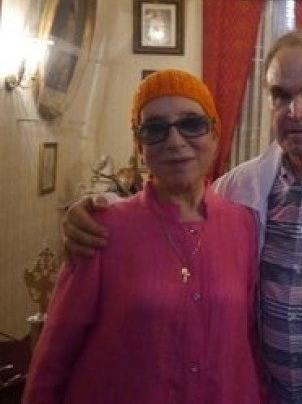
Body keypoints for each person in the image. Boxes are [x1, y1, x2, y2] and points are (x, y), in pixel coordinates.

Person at [62, 30, 302, 402]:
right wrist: (102, 207)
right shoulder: (239, 188)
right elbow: (174, 212)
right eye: (281, 95)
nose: (295, 111)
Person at [28, 70, 264, 403]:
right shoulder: (101, 229)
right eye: (154, 129)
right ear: (140, 146)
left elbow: (249, 342)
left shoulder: (243, 225)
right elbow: (54, 357)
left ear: (214, 134)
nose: (175, 142)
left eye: (192, 124)